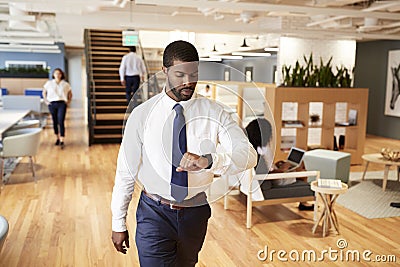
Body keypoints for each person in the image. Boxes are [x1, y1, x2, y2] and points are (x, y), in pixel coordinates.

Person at [111, 40, 257, 266]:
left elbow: (248, 155)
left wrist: (209, 161)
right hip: (153, 212)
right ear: (165, 71)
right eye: (180, 74)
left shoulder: (215, 112)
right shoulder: (142, 115)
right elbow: (125, 172)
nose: (189, 82)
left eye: (194, 73)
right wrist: (118, 223)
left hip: (195, 213)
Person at [245, 118, 314, 210]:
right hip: (275, 179)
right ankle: (304, 203)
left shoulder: (250, 149)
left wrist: (277, 165)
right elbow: (268, 174)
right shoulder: (265, 149)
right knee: (303, 171)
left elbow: (267, 169)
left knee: (296, 166)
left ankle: (303, 201)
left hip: (267, 177)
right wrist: (282, 170)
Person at [43, 68, 72, 149]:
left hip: (62, 103)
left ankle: (62, 139)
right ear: (53, 75)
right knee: (54, 121)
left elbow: (70, 93)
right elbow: (44, 92)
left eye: (59, 73)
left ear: (61, 75)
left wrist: (68, 101)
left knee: (61, 121)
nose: (57, 75)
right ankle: (57, 138)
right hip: (52, 104)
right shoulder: (49, 83)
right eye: (56, 73)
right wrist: (46, 101)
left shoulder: (65, 84)